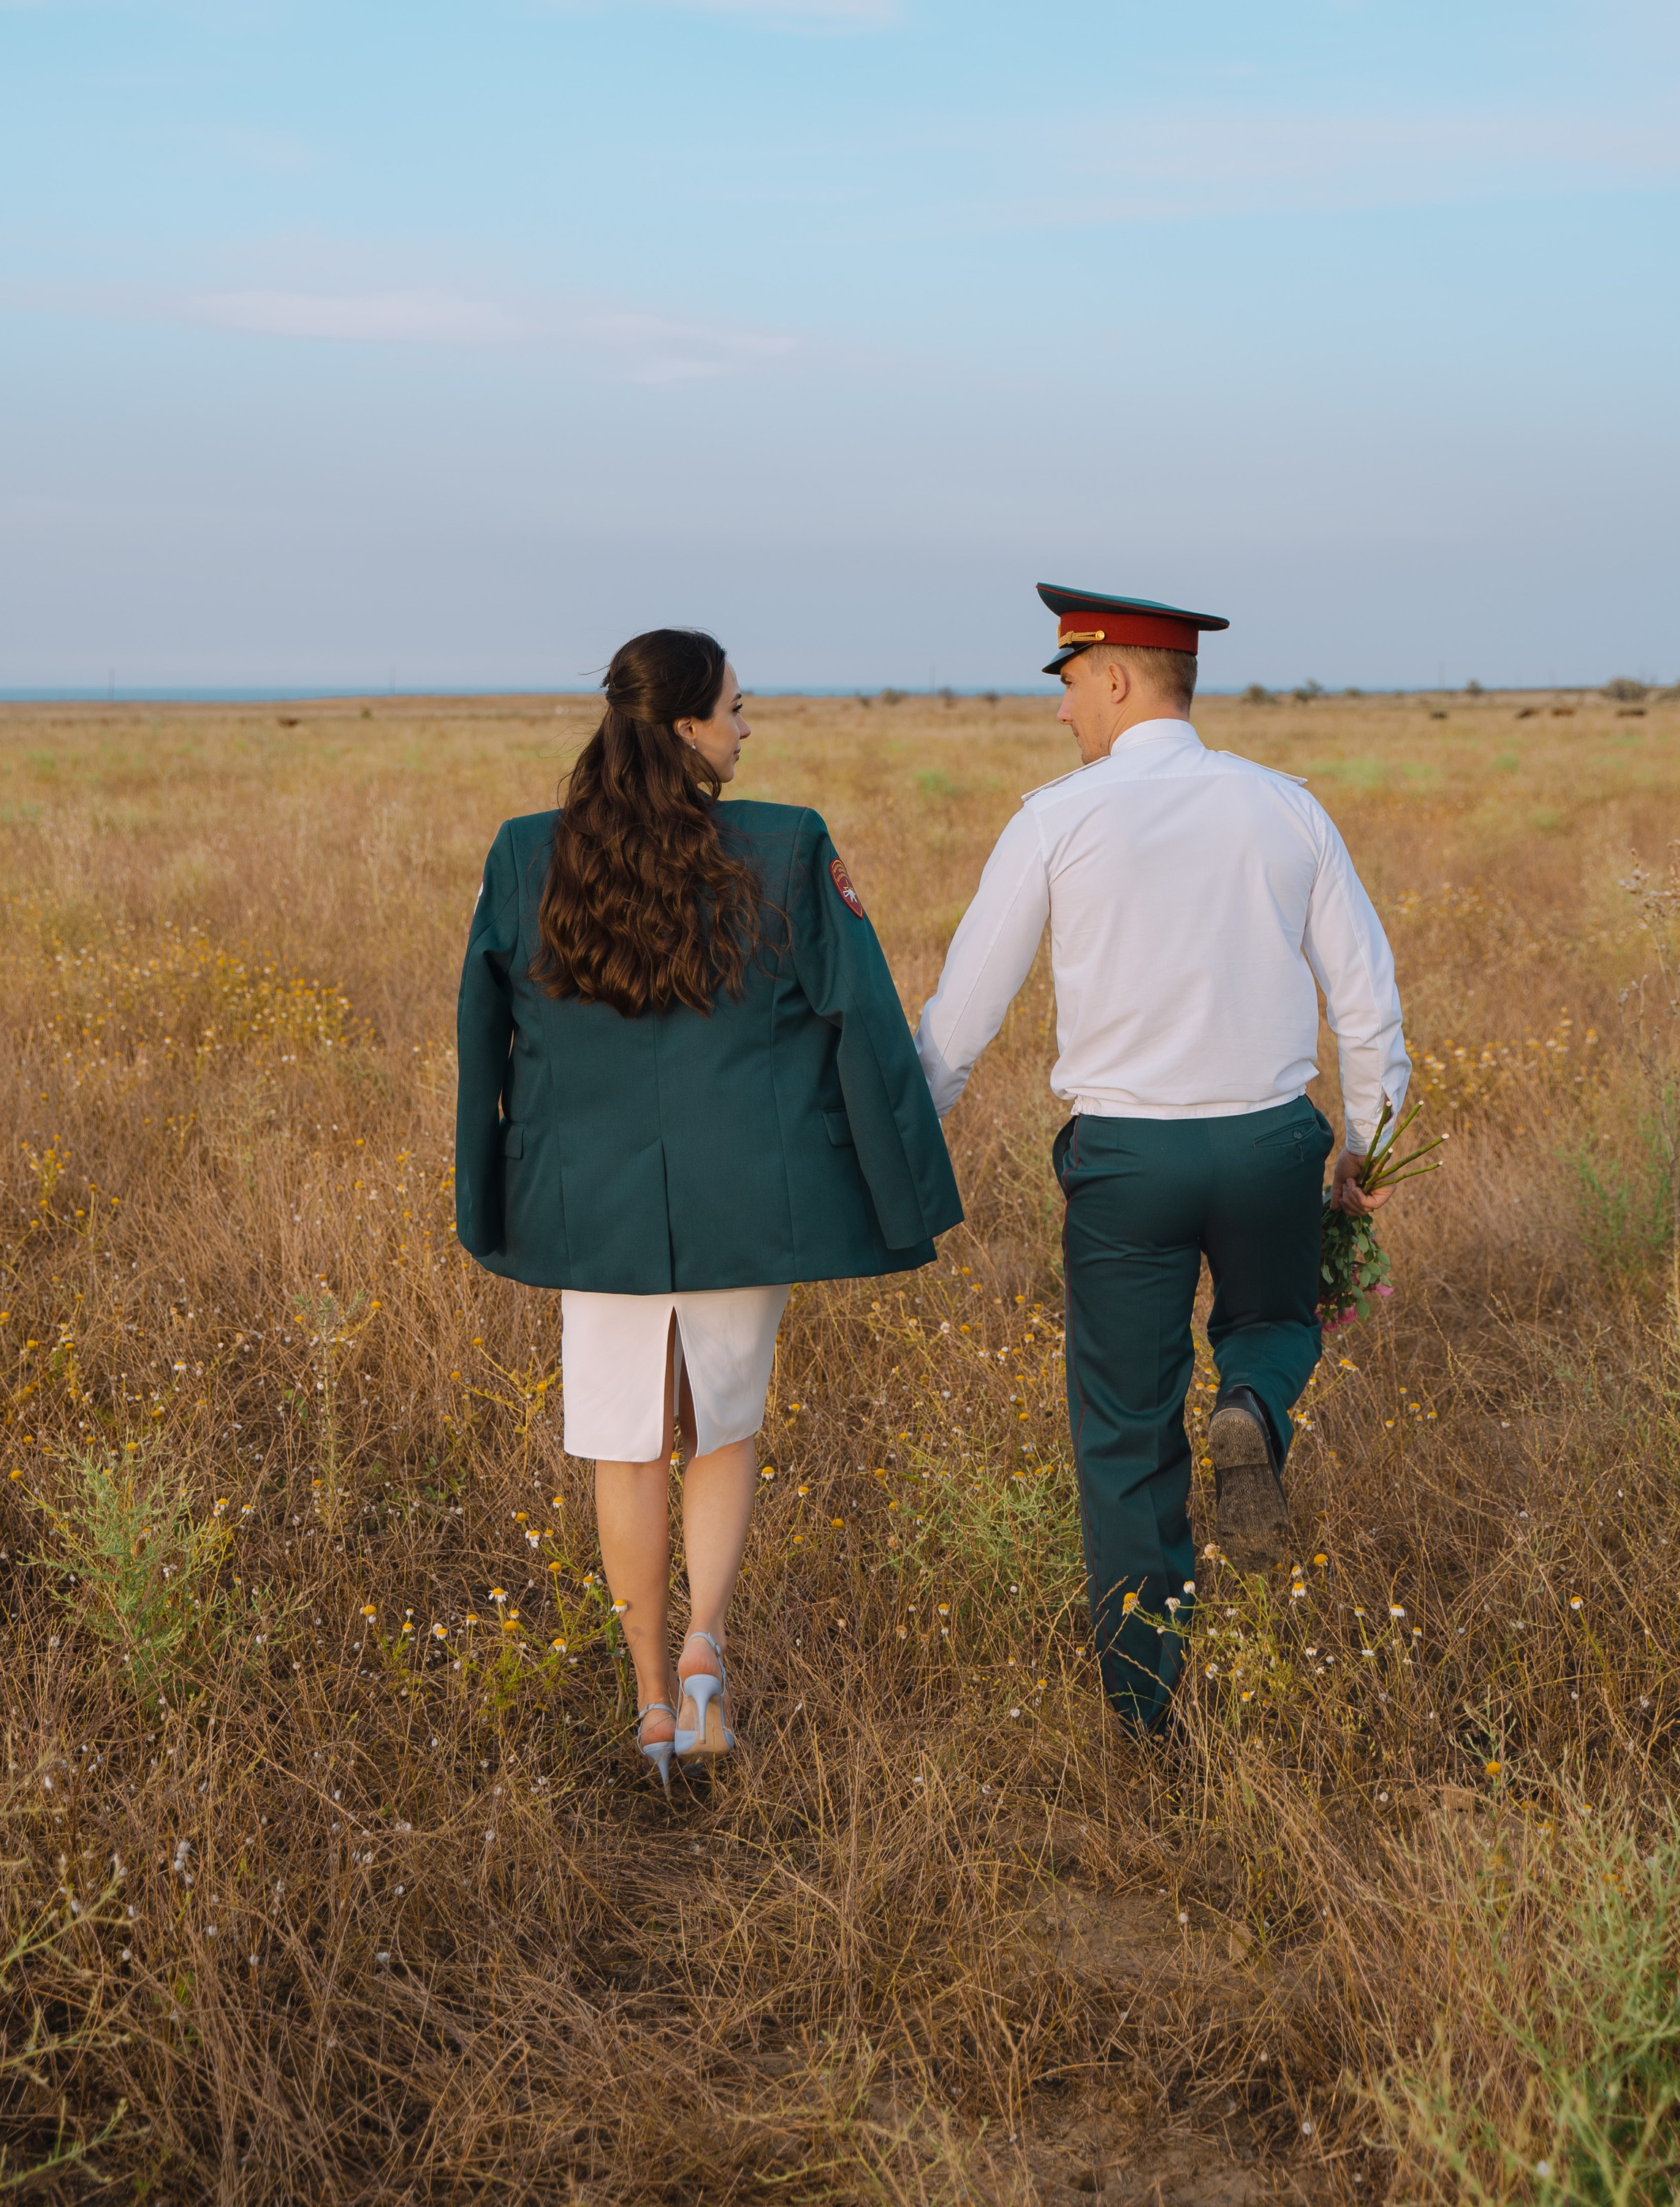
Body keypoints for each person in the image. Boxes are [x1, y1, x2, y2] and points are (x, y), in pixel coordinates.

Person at [457, 628, 961, 1787]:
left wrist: (485, 1195)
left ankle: (645, 1706)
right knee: (721, 1428)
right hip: (750, 1203)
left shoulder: (526, 855)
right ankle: (702, 1660)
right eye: (736, 709)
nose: (748, 727)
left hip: (593, 1211)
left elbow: (480, 1038)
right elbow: (863, 1019)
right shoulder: (789, 845)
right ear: (686, 728)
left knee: (624, 1446)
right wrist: (908, 1190)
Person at [915, 584, 1410, 1733]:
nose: (1062, 712)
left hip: (1126, 1160)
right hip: (1269, 1142)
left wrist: (906, 1139)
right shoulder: (1289, 810)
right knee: (1278, 1327)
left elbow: (961, 1018)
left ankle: (1144, 1708)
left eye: (1072, 682)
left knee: (1126, 1429)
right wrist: (1369, 1145)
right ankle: (1252, 1408)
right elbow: (1366, 998)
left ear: (1121, 679)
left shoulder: (1054, 818)